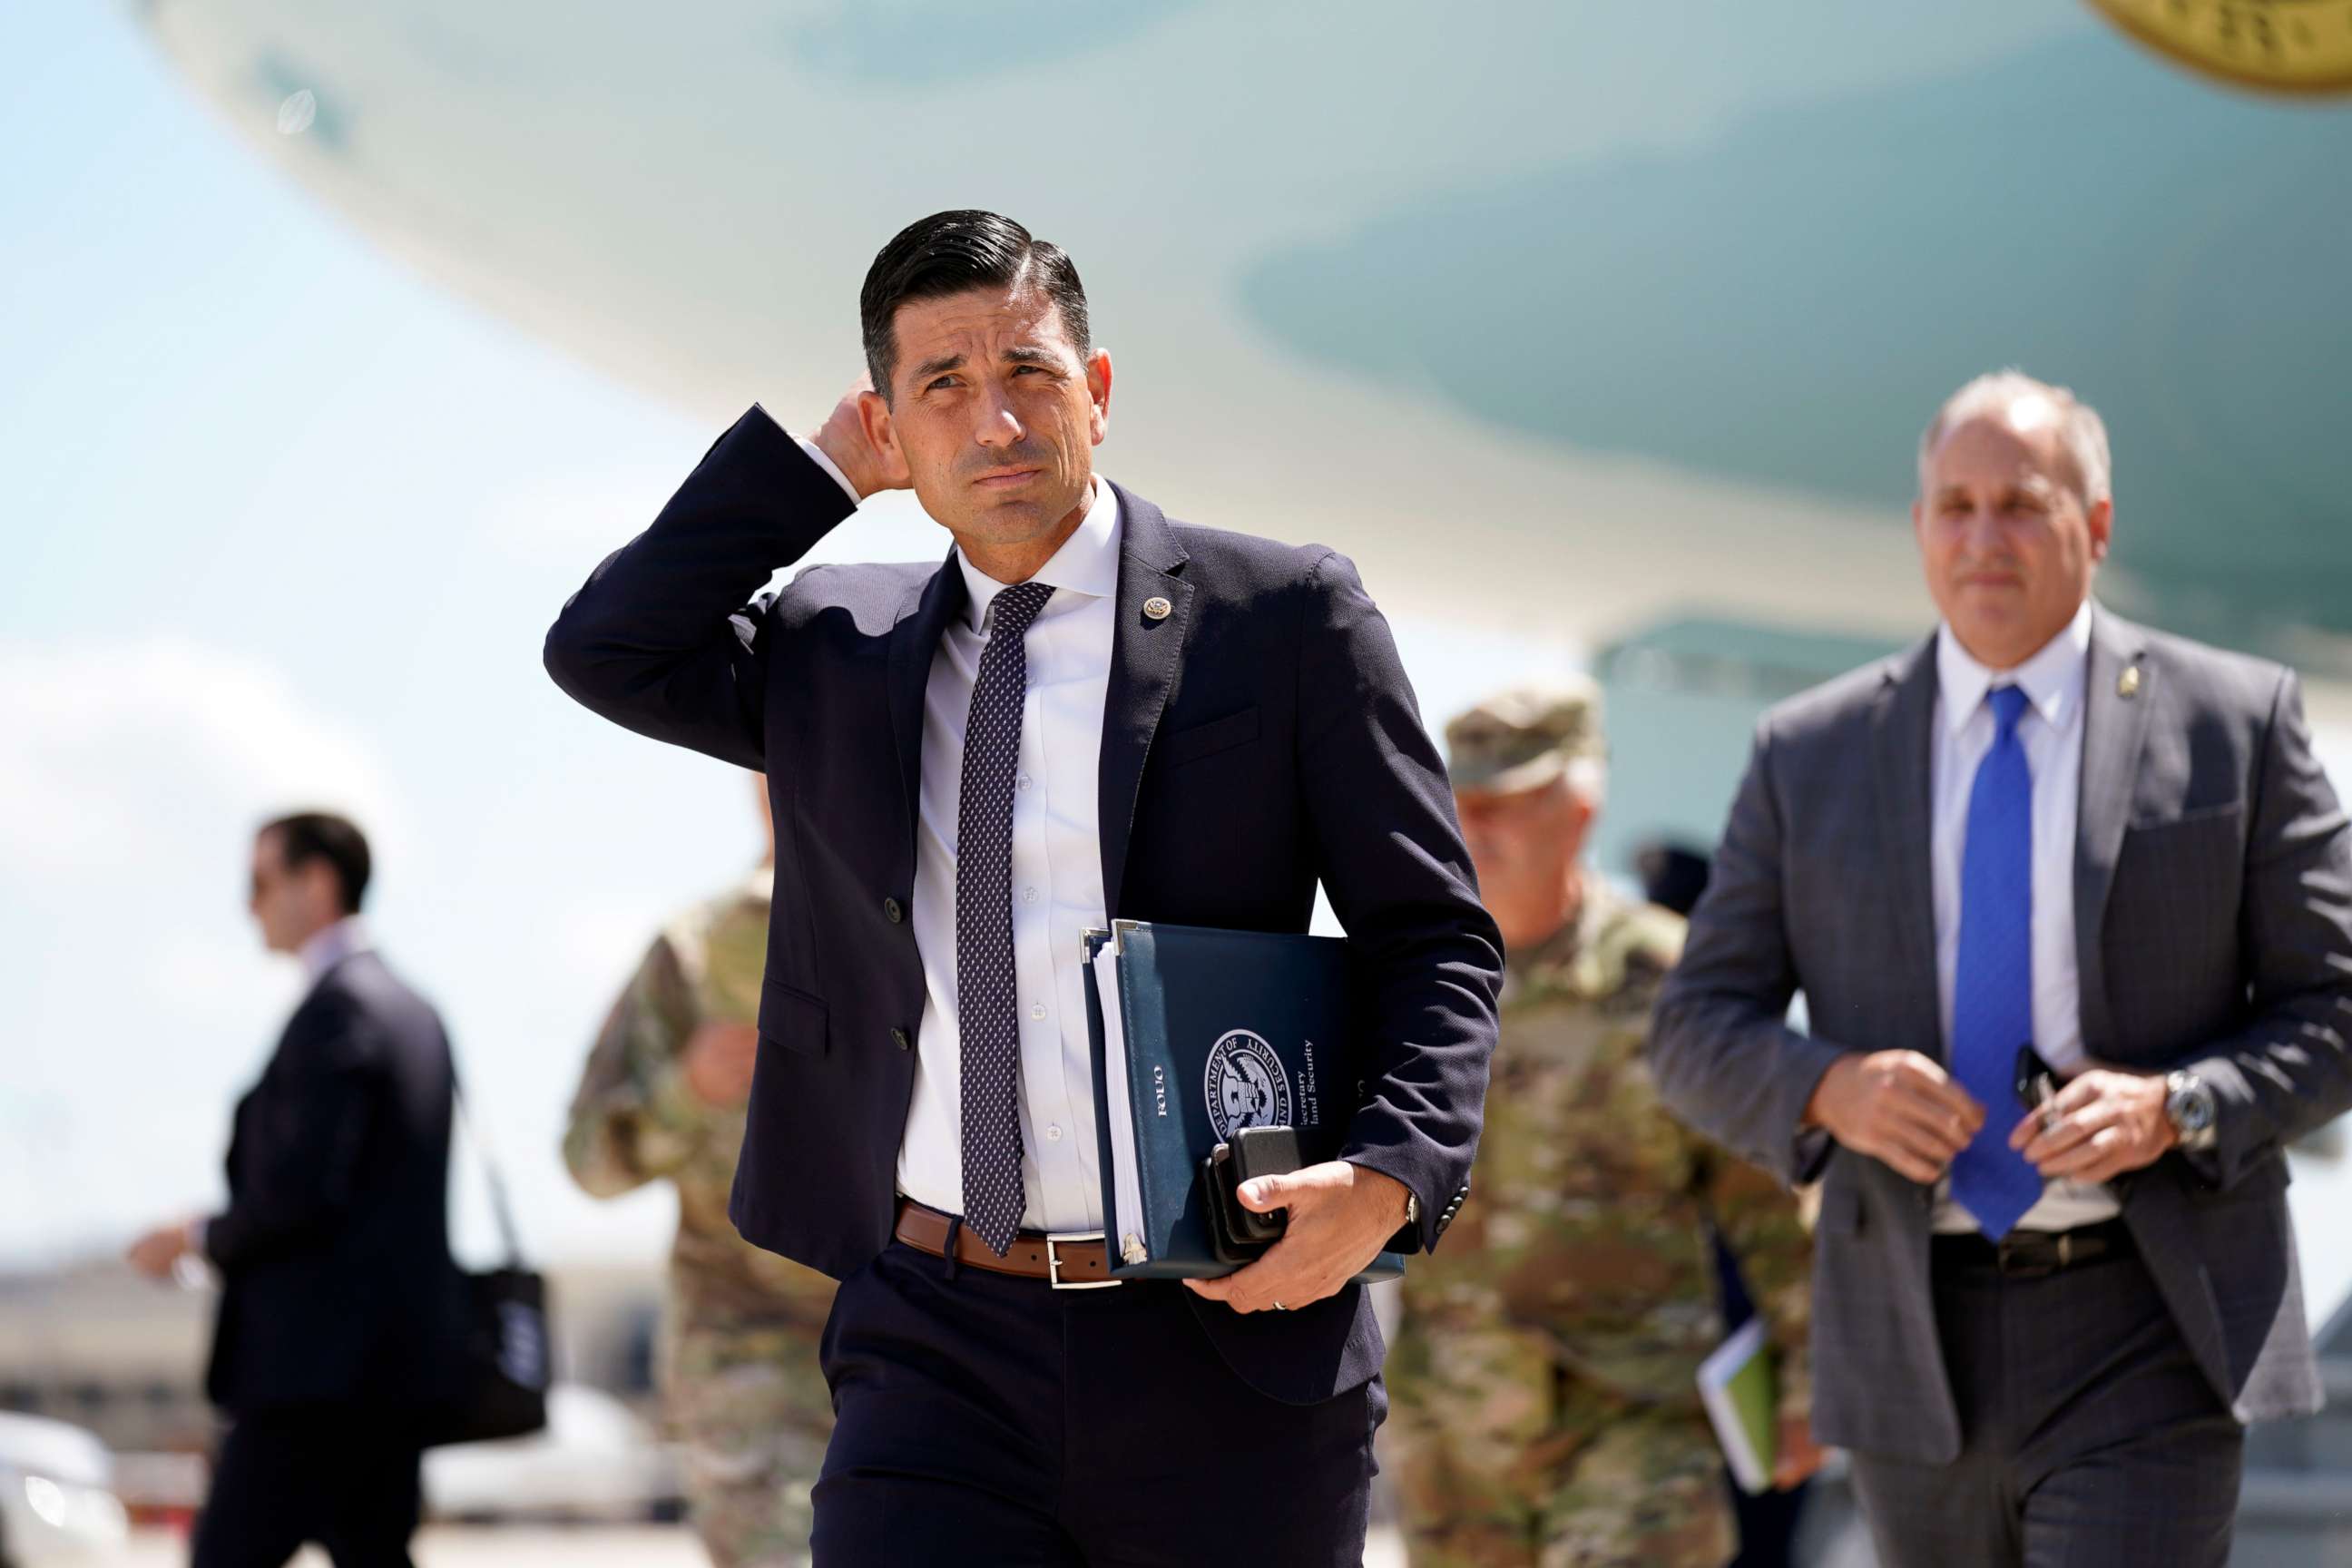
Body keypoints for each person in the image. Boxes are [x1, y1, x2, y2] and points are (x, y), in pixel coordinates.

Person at [542, 209, 1503, 1566]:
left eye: (1030, 374)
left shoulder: (1285, 620)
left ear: (1097, 394)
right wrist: (816, 470)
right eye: (943, 387)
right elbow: (606, 646)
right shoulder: (836, 644)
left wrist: (1396, 1175)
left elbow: (1437, 942)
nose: (995, 422)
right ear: (893, 425)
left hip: (1225, 1331)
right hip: (934, 1346)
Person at [1651, 370, 2352, 1568]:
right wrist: (1832, 1090)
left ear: (2098, 523)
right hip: (1908, 1332)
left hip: (2152, 1318)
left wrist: (2178, 1108)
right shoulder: (1810, 754)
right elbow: (1694, 1029)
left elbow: (2335, 1005)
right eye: (1955, 506)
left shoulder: (2232, 723)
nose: (1985, 539)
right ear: (1921, 526)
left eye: (2022, 505)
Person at [1387, 681, 1817, 1568]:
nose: (1476, 827)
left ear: (1579, 808)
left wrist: (1813, 1378)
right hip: (1457, 1438)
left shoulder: (1672, 982)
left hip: (1633, 1423)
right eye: (1460, 802)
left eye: (1505, 802)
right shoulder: (1404, 977)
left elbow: (1768, 1198)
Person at [128, 812, 468, 1568]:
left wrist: (193, 1236)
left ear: (316, 884)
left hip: (312, 1382)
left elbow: (303, 1194)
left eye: (260, 882)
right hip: (389, 1376)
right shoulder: (413, 1010)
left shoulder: (339, 1010)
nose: (247, 905)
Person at [564, 773, 838, 1566]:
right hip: (754, 1367)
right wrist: (685, 1093)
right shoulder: (695, 953)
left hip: (916, 1346)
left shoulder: (937, 932)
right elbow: (588, 1162)